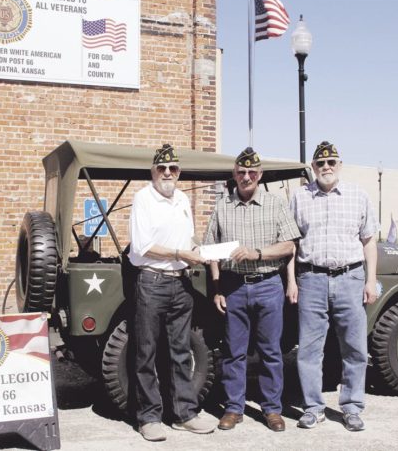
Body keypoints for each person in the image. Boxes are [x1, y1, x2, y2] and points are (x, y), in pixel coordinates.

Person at [204, 147, 301, 432]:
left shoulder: (275, 204)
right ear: (234, 174)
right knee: (234, 352)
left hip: (268, 284)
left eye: (251, 172)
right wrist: (217, 288)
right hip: (233, 286)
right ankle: (234, 408)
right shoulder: (222, 206)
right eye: (241, 172)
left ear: (260, 175)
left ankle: (272, 409)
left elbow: (289, 245)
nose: (246, 177)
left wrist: (257, 253)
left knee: (271, 351)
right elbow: (211, 250)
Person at [287, 140, 378, 432]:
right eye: (320, 163)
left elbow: (369, 241)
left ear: (340, 165)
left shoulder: (358, 196)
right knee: (309, 349)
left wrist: (370, 280)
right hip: (311, 278)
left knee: (355, 347)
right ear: (313, 167)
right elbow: (291, 244)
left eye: (331, 162)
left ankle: (352, 407)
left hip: (350, 277)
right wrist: (292, 280)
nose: (326, 167)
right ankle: (313, 408)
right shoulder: (299, 197)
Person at [128, 143, 216, 441]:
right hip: (152, 281)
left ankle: (184, 414)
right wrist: (181, 253)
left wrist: (200, 251)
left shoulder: (182, 198)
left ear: (179, 172)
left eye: (173, 168)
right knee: (146, 352)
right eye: (162, 168)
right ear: (153, 171)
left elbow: (187, 239)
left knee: (180, 352)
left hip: (181, 282)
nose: (168, 173)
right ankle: (149, 418)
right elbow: (143, 246)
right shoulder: (143, 198)